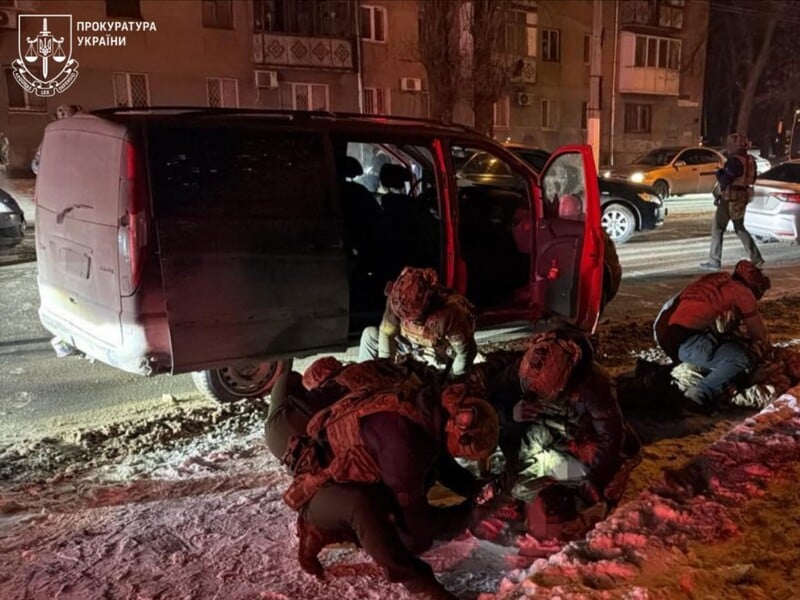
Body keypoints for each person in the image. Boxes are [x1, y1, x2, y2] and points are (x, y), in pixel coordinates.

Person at [282, 375, 498, 599]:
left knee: (396, 513)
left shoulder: (429, 415)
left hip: (359, 477)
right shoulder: (402, 440)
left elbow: (440, 462)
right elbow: (419, 523)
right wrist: (468, 513)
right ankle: (423, 588)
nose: (463, 456)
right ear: (455, 426)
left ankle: (342, 528)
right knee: (394, 531)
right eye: (464, 452)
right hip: (319, 489)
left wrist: (477, 491)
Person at [474, 329, 639, 540]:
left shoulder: (594, 386)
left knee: (592, 486)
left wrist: (592, 481)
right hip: (544, 435)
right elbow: (497, 399)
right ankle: (515, 489)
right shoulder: (525, 367)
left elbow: (611, 439)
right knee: (518, 471)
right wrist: (511, 414)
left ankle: (565, 493)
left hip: (579, 445)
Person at [654, 259, 771, 413]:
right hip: (686, 341)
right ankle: (698, 394)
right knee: (741, 358)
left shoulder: (719, 279)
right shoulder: (742, 291)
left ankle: (698, 369)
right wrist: (764, 350)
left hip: (665, 332)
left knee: (725, 351)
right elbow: (759, 335)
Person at [358, 267, 478, 378]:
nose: (406, 319)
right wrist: (387, 369)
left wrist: (454, 378)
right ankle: (363, 378)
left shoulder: (451, 313)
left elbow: (466, 353)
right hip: (407, 345)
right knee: (370, 335)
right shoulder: (398, 298)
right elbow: (387, 333)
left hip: (435, 353)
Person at [700, 132, 763, 271]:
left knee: (717, 227)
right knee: (739, 227)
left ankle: (714, 261)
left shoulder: (734, 161)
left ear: (735, 145)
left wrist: (720, 173)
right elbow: (752, 179)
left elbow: (725, 180)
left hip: (730, 198)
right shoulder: (751, 160)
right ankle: (756, 258)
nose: (727, 146)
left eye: (730, 143)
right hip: (743, 197)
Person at [32, 104, 83, 175]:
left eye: (65, 111)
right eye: (60, 111)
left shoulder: (76, 130)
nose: (62, 113)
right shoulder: (53, 130)